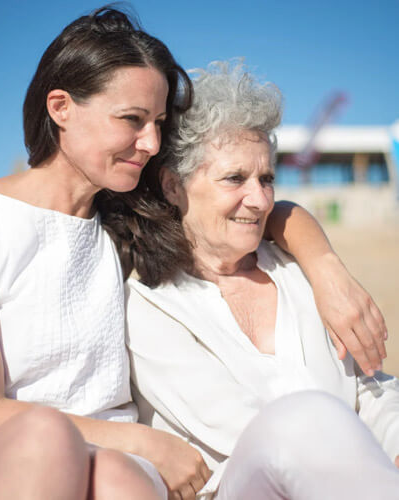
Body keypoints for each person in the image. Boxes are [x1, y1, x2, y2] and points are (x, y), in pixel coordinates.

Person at [0, 6, 387, 499]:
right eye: (132, 120)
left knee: (120, 480)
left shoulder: (125, 224)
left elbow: (261, 212)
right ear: (61, 107)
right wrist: (145, 441)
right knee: (50, 442)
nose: (151, 143)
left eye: (157, 122)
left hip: (111, 458)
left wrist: (325, 268)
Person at [120, 61, 399, 499]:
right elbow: (252, 434)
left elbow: (371, 389)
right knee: (299, 420)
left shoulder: (297, 272)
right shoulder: (150, 307)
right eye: (235, 178)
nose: (261, 199)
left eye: (267, 178)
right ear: (173, 186)